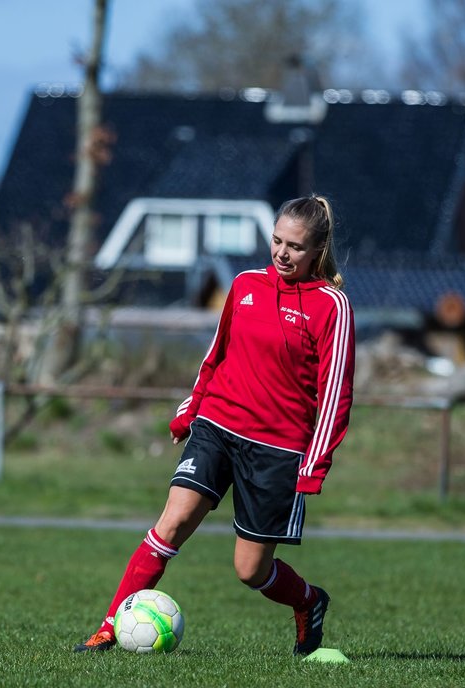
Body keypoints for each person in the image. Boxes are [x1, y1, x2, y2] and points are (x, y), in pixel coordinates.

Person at [74, 194, 355, 655]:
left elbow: (336, 394)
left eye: (296, 247)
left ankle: (308, 601)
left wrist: (314, 465)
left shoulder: (332, 307)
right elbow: (217, 354)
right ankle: (108, 628)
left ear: (318, 250)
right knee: (173, 520)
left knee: (251, 570)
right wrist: (191, 408)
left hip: (277, 451)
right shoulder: (245, 284)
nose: (282, 253)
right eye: (277, 241)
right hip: (217, 425)